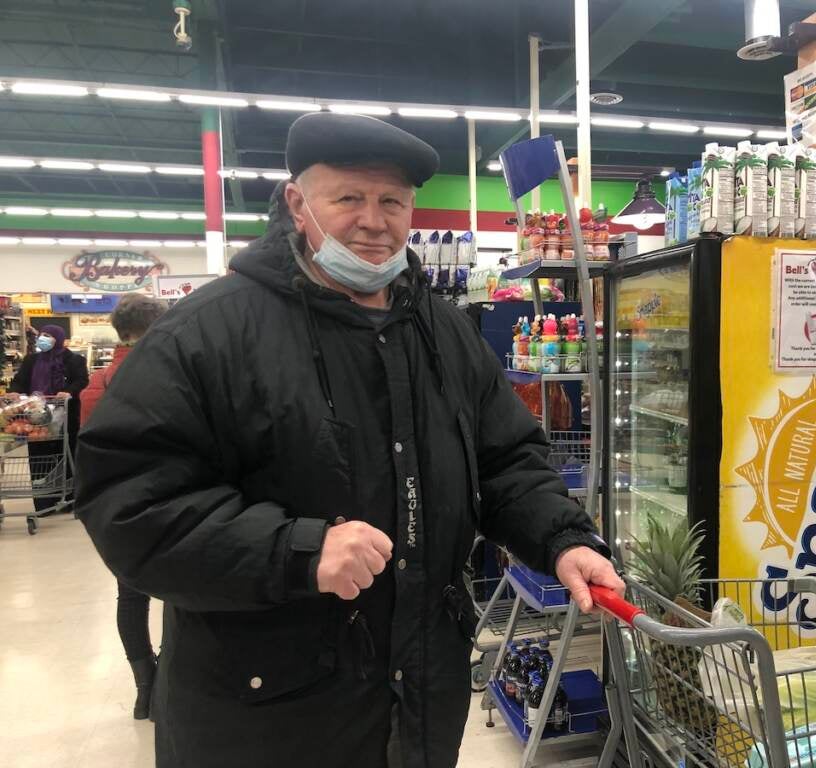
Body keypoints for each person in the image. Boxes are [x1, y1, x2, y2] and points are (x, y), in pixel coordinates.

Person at [75, 113, 623, 768]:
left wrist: (561, 538)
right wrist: (295, 550)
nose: (374, 220)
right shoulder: (208, 334)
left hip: (418, 699)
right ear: (297, 204)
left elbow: (505, 459)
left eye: (391, 201)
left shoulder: (442, 333)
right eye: (349, 199)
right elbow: (130, 503)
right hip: (263, 718)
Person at [80, 294, 168, 720]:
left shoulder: (97, 385)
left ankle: (144, 685)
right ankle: (171, 676)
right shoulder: (168, 374)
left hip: (118, 510)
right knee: (183, 591)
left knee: (130, 595)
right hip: (172, 501)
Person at [9, 324, 88, 514]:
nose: (42, 338)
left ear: (58, 338)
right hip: (35, 417)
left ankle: (69, 499)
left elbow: (82, 380)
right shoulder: (31, 360)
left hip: (65, 416)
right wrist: (14, 392)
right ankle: (44, 504)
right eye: (41, 335)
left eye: (48, 335)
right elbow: (20, 381)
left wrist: (68, 392)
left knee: (66, 454)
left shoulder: (74, 360)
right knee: (39, 456)